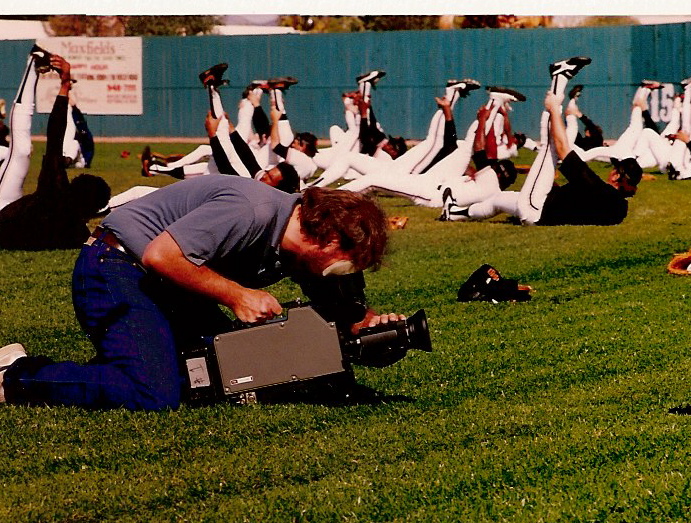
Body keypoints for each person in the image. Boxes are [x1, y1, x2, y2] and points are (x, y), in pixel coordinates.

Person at [0, 175, 403, 410]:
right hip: (116, 270)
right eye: (349, 259)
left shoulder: (295, 245)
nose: (346, 271)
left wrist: (372, 330)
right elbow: (162, 256)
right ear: (327, 235)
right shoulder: (253, 210)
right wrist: (237, 296)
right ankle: (18, 376)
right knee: (154, 392)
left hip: (167, 285)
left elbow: (341, 312)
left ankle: (130, 359)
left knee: (221, 374)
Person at [444, 56, 642, 226]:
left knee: (550, 145)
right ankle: (453, 213)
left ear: (617, 176)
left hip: (535, 209)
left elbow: (563, 148)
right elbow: (576, 204)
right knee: (499, 199)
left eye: (615, 169)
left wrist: (555, 109)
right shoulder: (620, 210)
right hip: (542, 206)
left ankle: (559, 78)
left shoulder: (599, 189)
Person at [0, 46, 110, 250]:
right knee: (20, 151)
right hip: (13, 223)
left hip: (4, 213)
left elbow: (55, 135)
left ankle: (33, 62)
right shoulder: (77, 233)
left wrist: (65, 83)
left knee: (20, 151)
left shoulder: (54, 192)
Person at [339, 101, 516, 209]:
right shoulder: (493, 186)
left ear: (498, 174)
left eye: (494, 168)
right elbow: (485, 150)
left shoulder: (491, 183)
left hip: (432, 194)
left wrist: (484, 120)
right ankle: (494, 103)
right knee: (463, 146)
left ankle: (328, 198)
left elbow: (480, 150)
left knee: (373, 180)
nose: (491, 167)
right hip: (439, 181)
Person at [308, 79, 481, 188]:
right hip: (395, 169)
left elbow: (447, 141)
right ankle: (453, 92)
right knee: (432, 140)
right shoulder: (460, 153)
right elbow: (448, 139)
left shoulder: (459, 156)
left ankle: (453, 93)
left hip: (403, 176)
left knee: (433, 141)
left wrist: (448, 110)